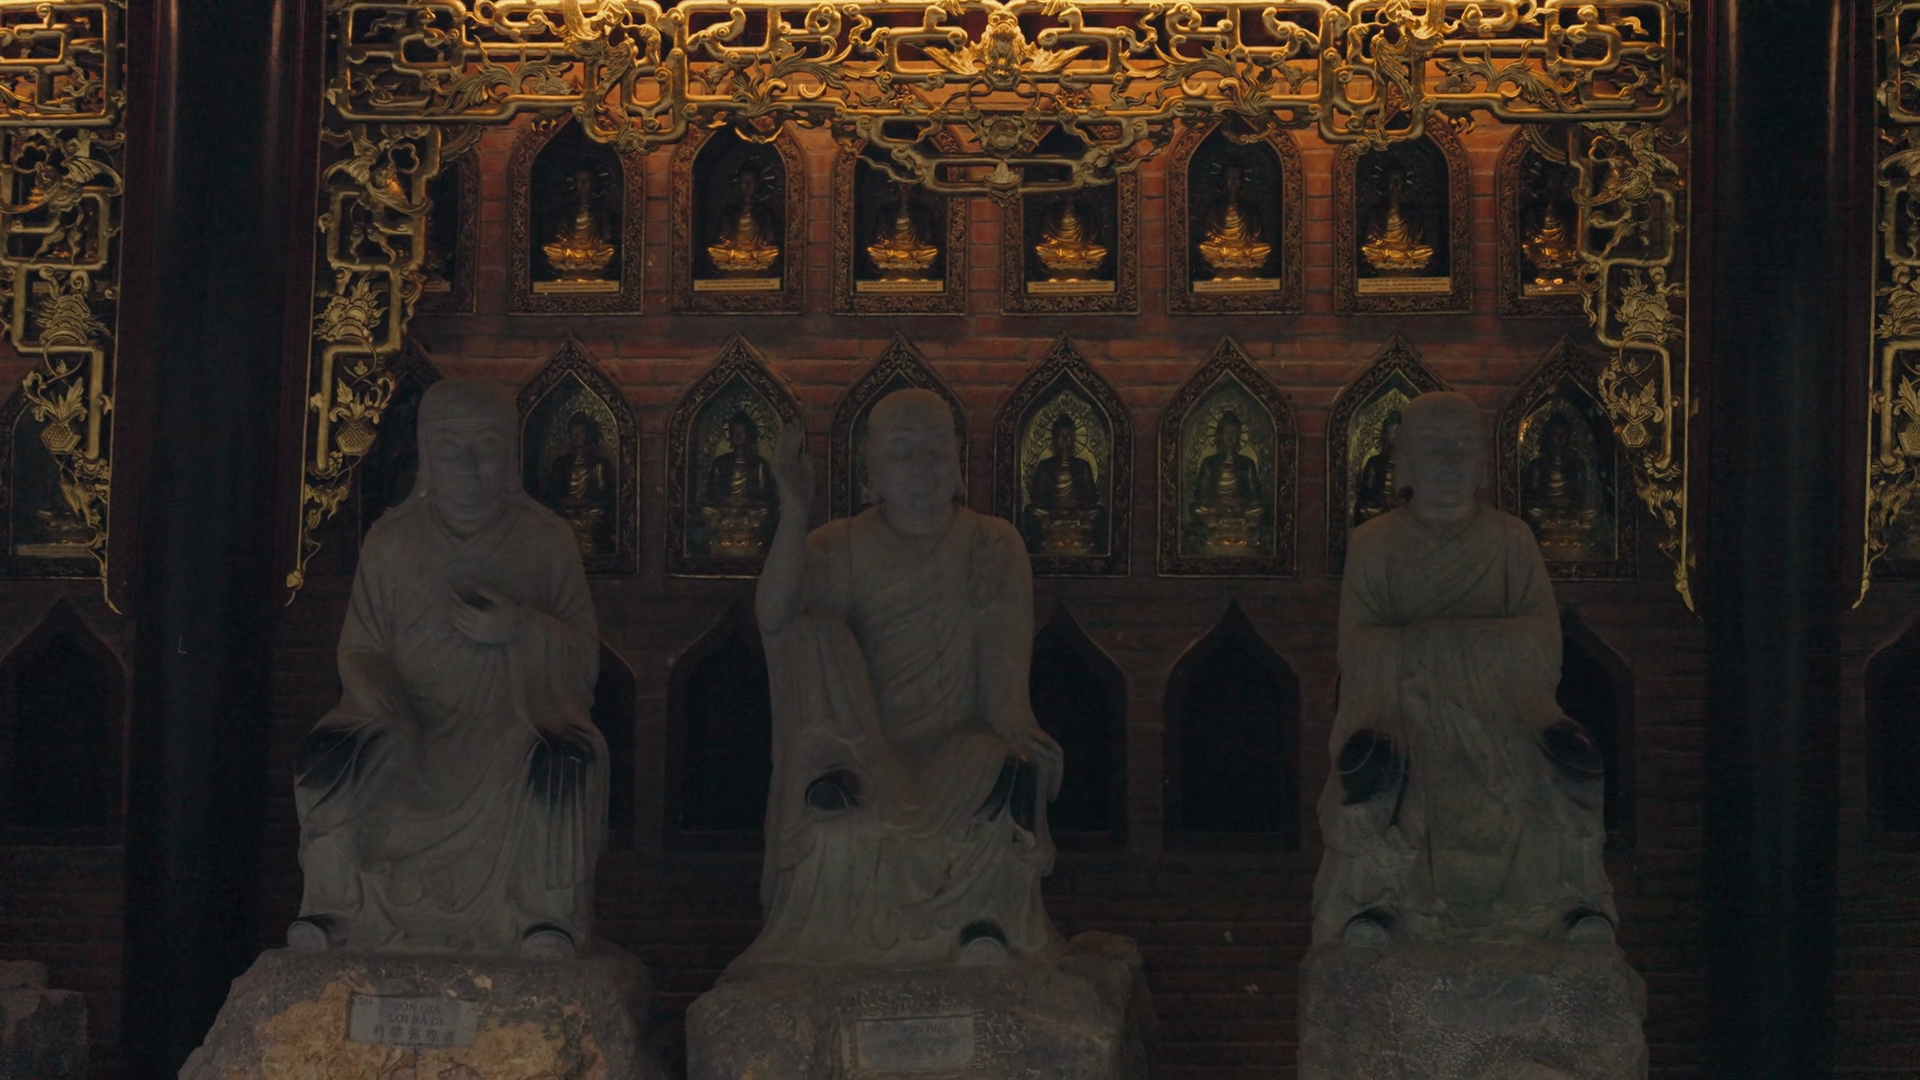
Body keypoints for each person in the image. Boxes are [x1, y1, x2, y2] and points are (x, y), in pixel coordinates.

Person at [729, 388, 1064, 971]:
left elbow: (1004, 692)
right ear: (872, 471)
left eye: (936, 451)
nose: (921, 468)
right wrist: (793, 510)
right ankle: (847, 922)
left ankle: (980, 927)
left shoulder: (993, 544)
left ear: (958, 461)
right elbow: (775, 616)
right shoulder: (841, 544)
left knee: (1005, 771)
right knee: (813, 635)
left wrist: (1028, 746)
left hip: (953, 749)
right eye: (903, 453)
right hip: (862, 754)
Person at [290, 378, 606, 957]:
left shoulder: (545, 539)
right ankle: (338, 907)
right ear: (426, 454)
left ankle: (541, 915)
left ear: (509, 455)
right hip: (408, 720)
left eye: (485, 447)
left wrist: (523, 630)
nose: (468, 464)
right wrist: (388, 713)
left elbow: (585, 656)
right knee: (329, 757)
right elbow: (360, 650)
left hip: (511, 725)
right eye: (450, 448)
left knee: (562, 760)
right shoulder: (390, 540)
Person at [1313, 391, 1615, 947]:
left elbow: (1543, 642)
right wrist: (1454, 646)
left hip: (1505, 720)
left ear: (1482, 462)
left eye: (1462, 447)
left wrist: (1436, 643)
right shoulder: (1374, 544)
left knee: (1570, 762)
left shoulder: (1511, 539)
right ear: (1404, 461)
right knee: (1374, 769)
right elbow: (1357, 649)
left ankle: (1564, 906)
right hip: (1405, 717)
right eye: (1433, 447)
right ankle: (1380, 907)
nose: (1449, 462)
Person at [1020, 412, 1105, 555]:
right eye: (1061, 436)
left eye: (1070, 436)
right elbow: (1037, 500)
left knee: (1098, 513)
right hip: (1052, 516)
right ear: (1053, 439)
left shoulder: (1082, 466)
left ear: (1075, 438)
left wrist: (1078, 512)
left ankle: (1061, 538)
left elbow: (1090, 500)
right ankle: (1071, 538)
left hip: (1077, 516)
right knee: (1031, 512)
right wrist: (1052, 512)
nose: (1065, 441)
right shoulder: (1045, 466)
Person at [543, 411, 614, 555]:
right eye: (572, 433)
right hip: (566, 512)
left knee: (597, 514)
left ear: (588, 435)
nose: (576, 437)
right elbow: (552, 494)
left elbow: (605, 498)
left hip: (589, 512)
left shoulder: (598, 464)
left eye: (580, 433)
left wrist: (583, 502)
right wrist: (563, 501)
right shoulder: (561, 464)